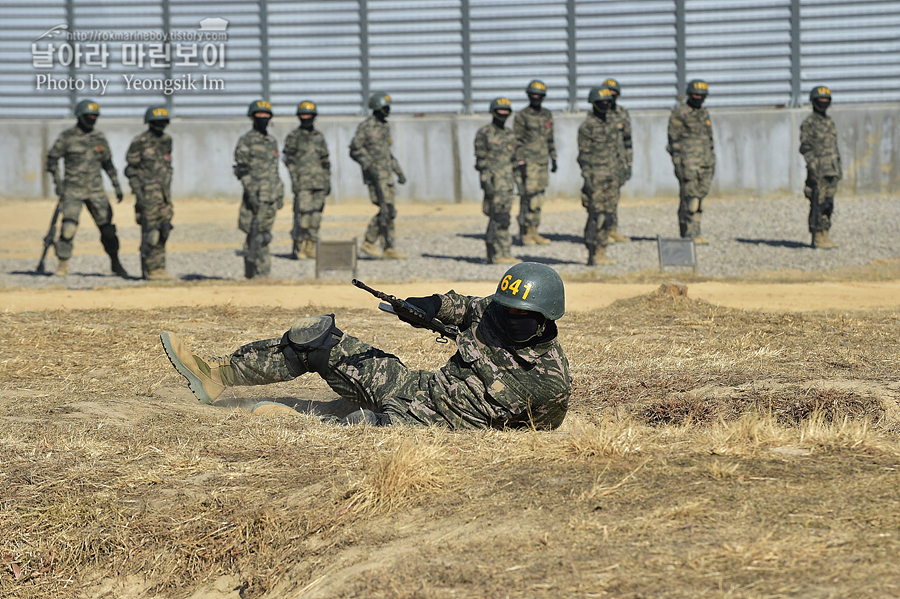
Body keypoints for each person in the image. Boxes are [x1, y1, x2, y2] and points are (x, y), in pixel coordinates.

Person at [160, 262, 571, 430]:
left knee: (343, 425)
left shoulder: (552, 384)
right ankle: (216, 375)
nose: (507, 318)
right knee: (317, 340)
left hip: (420, 430)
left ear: (543, 319)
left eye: (520, 315)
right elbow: (463, 307)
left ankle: (292, 418)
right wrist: (425, 306)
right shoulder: (497, 312)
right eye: (506, 309)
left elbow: (530, 435)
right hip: (413, 388)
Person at [46, 99, 127, 277]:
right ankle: (62, 266)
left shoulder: (99, 137)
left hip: (96, 191)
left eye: (94, 117)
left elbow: (108, 163)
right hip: (73, 191)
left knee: (108, 229)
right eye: (88, 116)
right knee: (68, 229)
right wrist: (58, 185)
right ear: (80, 116)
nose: (92, 119)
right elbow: (52, 160)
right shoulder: (67, 137)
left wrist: (117, 185)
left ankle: (115, 262)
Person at [349, 91, 407, 260]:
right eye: (385, 107)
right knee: (386, 209)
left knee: (390, 211)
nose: (388, 110)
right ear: (377, 108)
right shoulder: (366, 127)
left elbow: (387, 153)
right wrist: (369, 165)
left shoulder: (384, 127)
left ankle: (389, 247)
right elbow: (354, 149)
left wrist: (398, 171)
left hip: (387, 175)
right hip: (375, 177)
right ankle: (369, 241)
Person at [233, 99, 284, 279]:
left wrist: (280, 191)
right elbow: (241, 169)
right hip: (253, 196)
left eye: (266, 115)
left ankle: (263, 274)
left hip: (270, 196)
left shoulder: (271, 141)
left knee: (265, 235)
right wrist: (250, 192)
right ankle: (254, 273)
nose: (263, 118)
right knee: (254, 234)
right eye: (259, 115)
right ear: (252, 117)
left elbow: (274, 170)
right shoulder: (246, 140)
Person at [125, 105, 174, 280]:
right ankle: (150, 269)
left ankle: (160, 268)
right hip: (147, 196)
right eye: (156, 121)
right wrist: (139, 194)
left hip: (165, 196)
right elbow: (130, 170)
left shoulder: (167, 140)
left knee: (164, 230)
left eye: (163, 121)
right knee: (151, 233)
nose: (160, 124)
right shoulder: (140, 141)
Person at [577, 87, 622, 266]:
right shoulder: (587, 127)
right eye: (601, 102)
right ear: (594, 104)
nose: (605, 105)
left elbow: (618, 150)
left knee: (609, 215)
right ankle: (592, 251)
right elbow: (584, 156)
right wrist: (588, 179)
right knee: (596, 215)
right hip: (596, 178)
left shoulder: (612, 124)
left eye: (607, 102)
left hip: (612, 177)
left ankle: (602, 250)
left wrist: (621, 171)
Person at [667, 79, 715, 245]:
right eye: (696, 94)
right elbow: (673, 141)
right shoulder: (680, 114)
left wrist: (712, 160)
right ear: (689, 94)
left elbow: (709, 139)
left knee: (700, 199)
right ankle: (690, 234)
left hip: (706, 163)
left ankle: (692, 232)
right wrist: (678, 164)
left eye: (702, 95)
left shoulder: (704, 113)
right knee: (691, 199)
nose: (699, 97)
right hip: (689, 164)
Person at [282, 100, 331, 260]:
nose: (306, 117)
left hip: (319, 183)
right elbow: (288, 159)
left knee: (316, 216)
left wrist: (327, 180)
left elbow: (325, 160)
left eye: (309, 114)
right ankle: (299, 245)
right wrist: (295, 179)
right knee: (303, 215)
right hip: (302, 183)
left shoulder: (319, 137)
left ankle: (312, 244)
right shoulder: (294, 136)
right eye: (303, 114)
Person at [474, 97, 519, 265]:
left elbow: (514, 160)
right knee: (496, 217)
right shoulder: (484, 133)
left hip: (507, 184)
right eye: (500, 111)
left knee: (505, 218)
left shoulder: (510, 134)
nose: (503, 114)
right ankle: (495, 252)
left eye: (506, 111)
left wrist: (519, 182)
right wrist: (486, 183)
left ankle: (506, 251)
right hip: (493, 183)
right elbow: (481, 161)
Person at [514, 79, 557, 245]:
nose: (536, 97)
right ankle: (525, 232)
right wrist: (521, 162)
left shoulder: (547, 114)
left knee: (539, 198)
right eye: (533, 94)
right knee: (528, 198)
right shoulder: (522, 116)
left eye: (539, 95)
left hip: (542, 162)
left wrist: (553, 157)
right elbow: (517, 141)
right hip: (528, 163)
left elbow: (550, 137)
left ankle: (535, 231)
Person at [800, 86, 841, 250]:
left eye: (826, 100)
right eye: (820, 100)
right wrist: (812, 167)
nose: (823, 103)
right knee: (818, 202)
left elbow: (834, 147)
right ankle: (817, 235)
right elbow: (805, 148)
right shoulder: (809, 123)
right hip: (818, 171)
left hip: (831, 170)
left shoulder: (829, 122)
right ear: (813, 102)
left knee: (828, 204)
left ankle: (825, 233)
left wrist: (838, 168)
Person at [601, 78, 632, 243]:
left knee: (614, 198)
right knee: (601, 199)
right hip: (602, 164)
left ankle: (613, 229)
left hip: (618, 163)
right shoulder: (598, 112)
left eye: (614, 92)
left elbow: (628, 140)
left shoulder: (622, 113)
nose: (611, 96)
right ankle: (602, 232)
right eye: (608, 92)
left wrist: (629, 162)